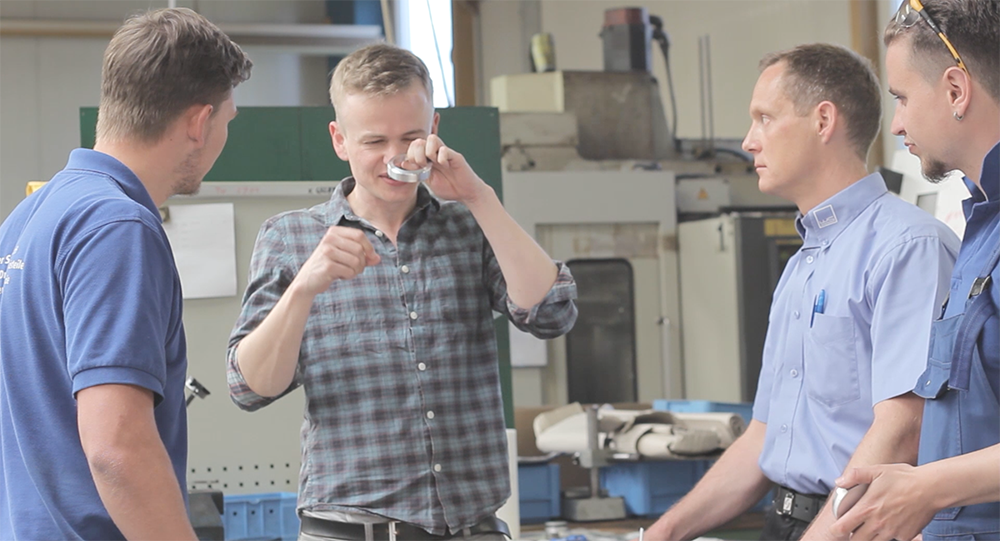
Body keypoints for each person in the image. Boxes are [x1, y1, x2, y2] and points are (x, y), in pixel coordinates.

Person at [226, 43, 577, 541]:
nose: (395, 158)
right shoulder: (290, 237)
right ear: (339, 140)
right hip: (348, 531)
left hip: (472, 529)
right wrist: (303, 288)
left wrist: (479, 197)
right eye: (374, 141)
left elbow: (552, 313)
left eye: (410, 137)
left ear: (433, 129)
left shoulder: (469, 226)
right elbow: (249, 388)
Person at [642, 43, 960, 541]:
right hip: (789, 521)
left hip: (859, 527)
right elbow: (764, 438)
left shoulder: (908, 248)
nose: (749, 141)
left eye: (764, 119)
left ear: (823, 121)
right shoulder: (802, 267)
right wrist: (660, 534)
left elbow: (904, 430)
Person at [0, 8, 251, 541]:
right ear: (199, 123)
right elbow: (117, 448)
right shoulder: (118, 226)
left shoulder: (27, 218)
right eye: (228, 121)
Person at [831, 2, 1000, 540]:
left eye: (902, 98)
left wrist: (928, 487)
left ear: (955, 90)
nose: (897, 123)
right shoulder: (982, 228)